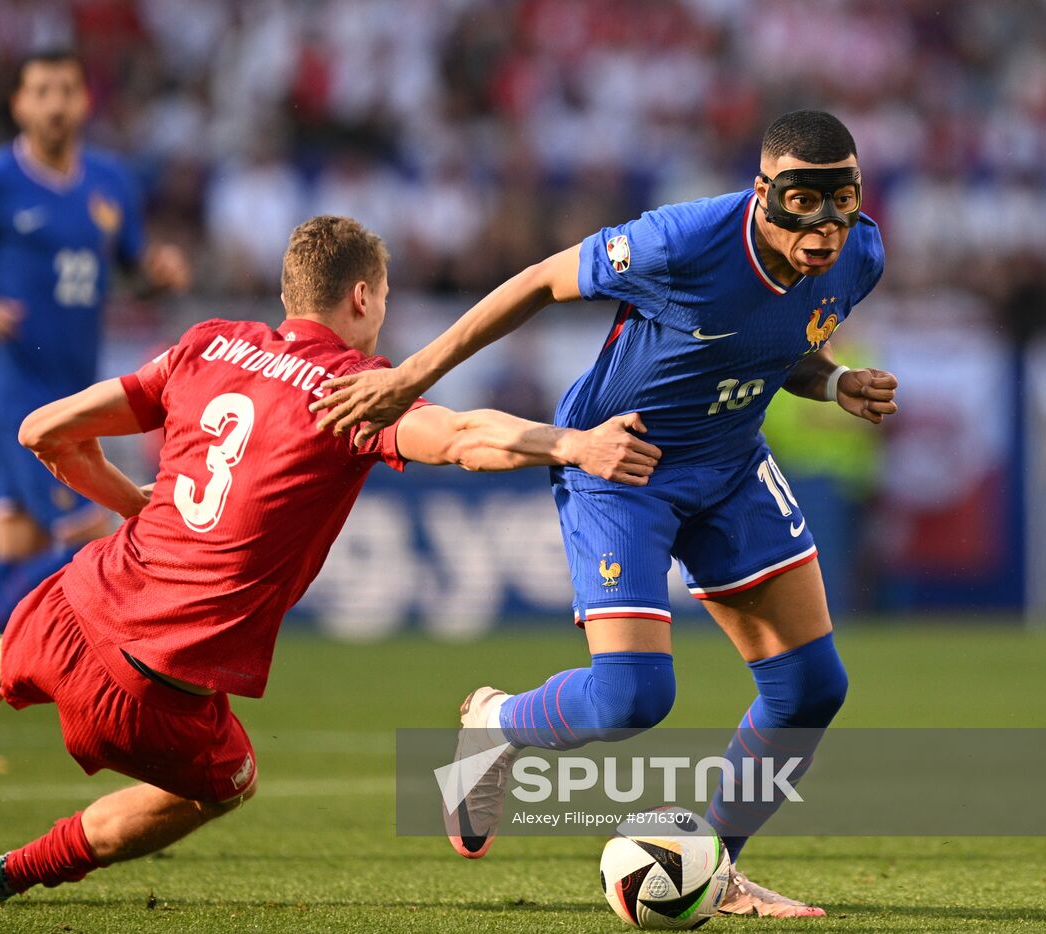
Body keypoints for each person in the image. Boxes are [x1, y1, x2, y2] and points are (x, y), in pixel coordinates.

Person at [0, 215, 635, 904]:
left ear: (287, 293)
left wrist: (133, 505)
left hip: (81, 600)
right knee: (225, 786)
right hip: (158, 687)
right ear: (364, 296)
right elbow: (460, 437)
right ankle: (12, 871)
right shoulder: (353, 391)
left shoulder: (205, 345)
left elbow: (45, 431)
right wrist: (574, 445)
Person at [311, 111, 899, 918]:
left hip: (730, 463)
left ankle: (713, 867)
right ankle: (495, 724)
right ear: (764, 193)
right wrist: (410, 379)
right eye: (804, 199)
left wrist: (832, 382)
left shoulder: (859, 255)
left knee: (809, 689)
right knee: (632, 699)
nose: (827, 224)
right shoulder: (680, 241)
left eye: (844, 199)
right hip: (620, 463)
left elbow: (773, 342)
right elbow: (536, 283)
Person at [0, 49, 190, 772]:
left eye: (66, 89)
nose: (55, 102)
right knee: (83, 539)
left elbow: (131, 270)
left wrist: (158, 275)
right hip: (15, 403)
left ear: (84, 100)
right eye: (40, 91)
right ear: (20, 105)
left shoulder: (112, 182)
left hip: (74, 400)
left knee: (21, 554)